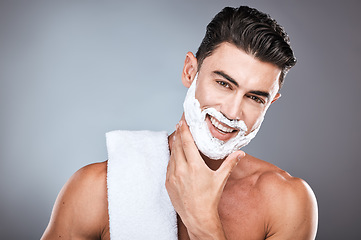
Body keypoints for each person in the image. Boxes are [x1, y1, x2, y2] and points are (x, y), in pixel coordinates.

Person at [41, 6, 318, 240]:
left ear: (269, 104)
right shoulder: (97, 189)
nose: (233, 112)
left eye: (255, 98)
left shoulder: (286, 203)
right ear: (190, 71)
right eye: (223, 83)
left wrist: (203, 221)